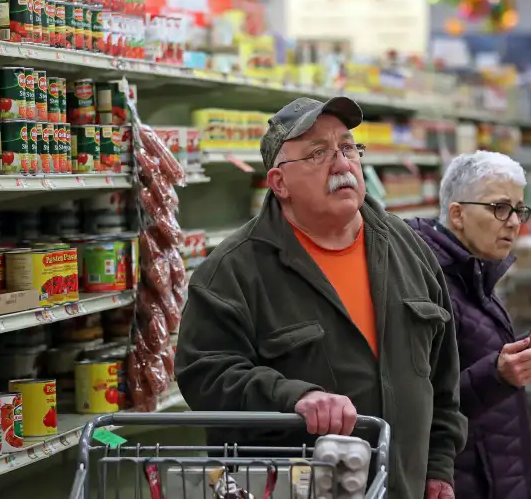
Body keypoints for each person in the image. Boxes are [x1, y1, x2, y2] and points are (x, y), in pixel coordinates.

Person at [175, 97, 466, 499]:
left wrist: (438, 466)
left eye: (348, 148)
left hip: (405, 485)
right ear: (279, 183)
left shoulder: (409, 250)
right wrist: (293, 396)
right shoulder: (232, 272)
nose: (342, 164)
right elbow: (205, 375)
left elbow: (443, 376)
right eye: (318, 153)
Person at [407, 151, 531, 499]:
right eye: (499, 208)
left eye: (519, 210)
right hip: (466, 478)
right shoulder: (426, 284)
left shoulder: (474, 274)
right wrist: (498, 375)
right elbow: (418, 401)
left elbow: (477, 357)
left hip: (496, 470)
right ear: (457, 214)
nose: (513, 222)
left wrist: (530, 351)